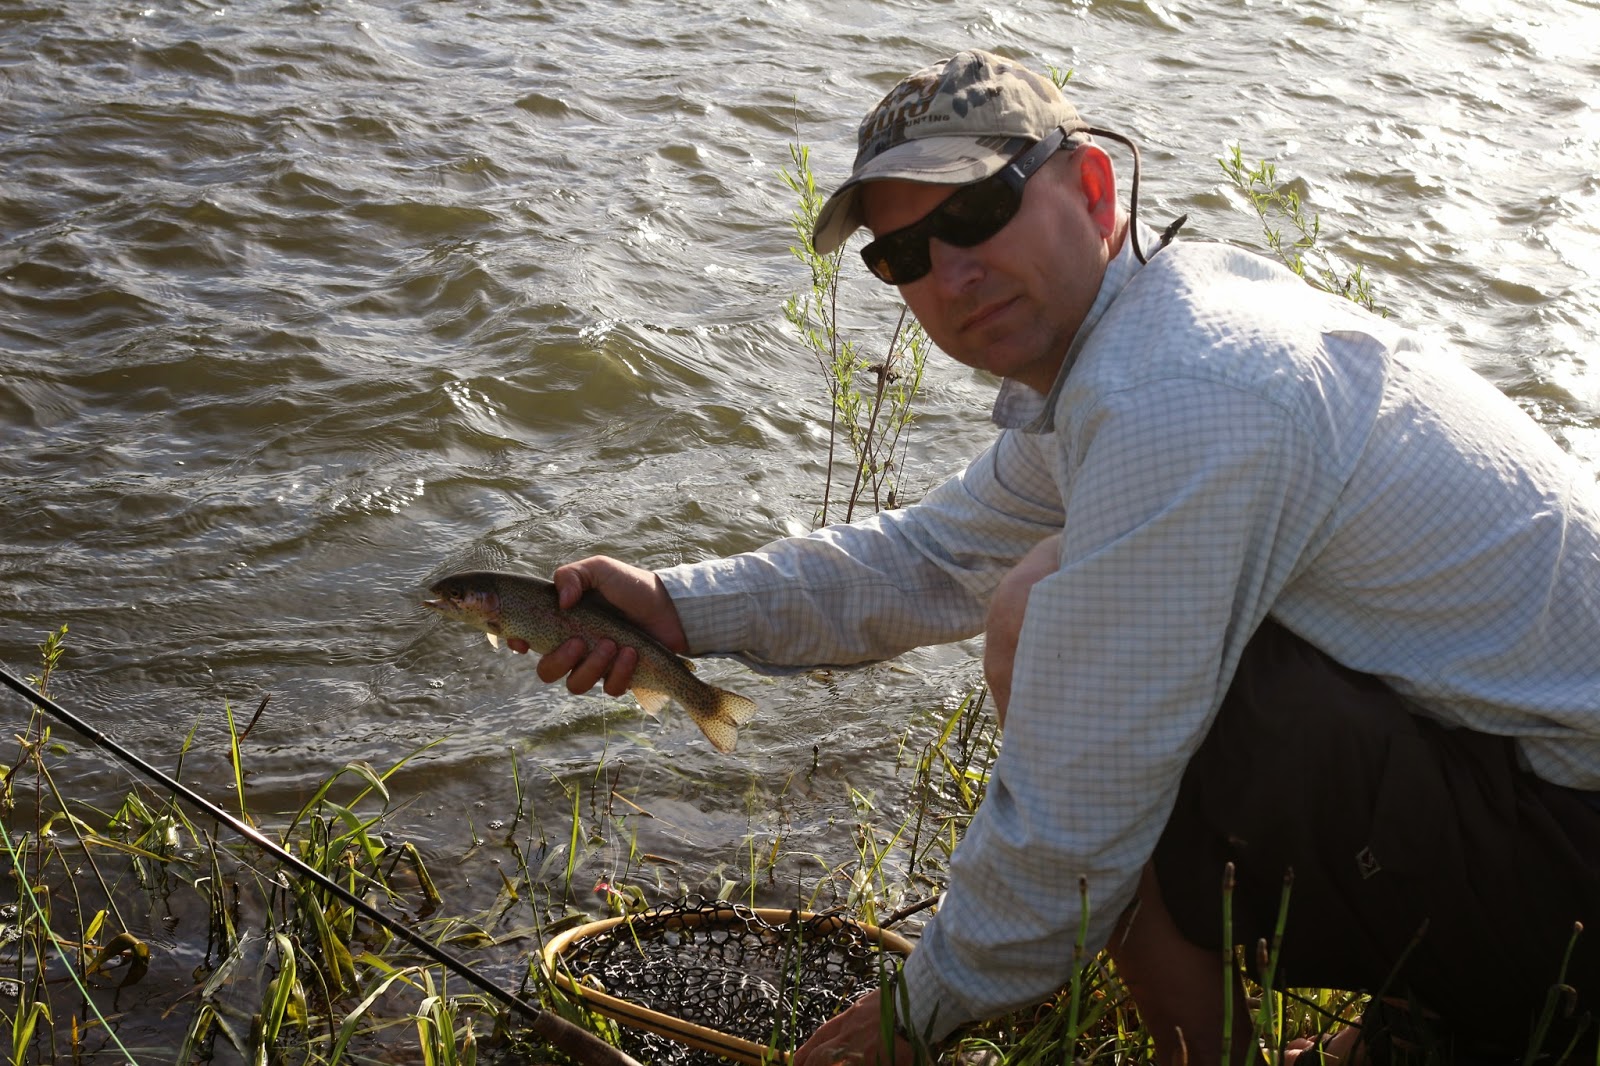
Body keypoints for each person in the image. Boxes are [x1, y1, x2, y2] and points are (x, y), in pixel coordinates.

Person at [521, 50, 1600, 1066]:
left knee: (1048, 624)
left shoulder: (1179, 395)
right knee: (1067, 607)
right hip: (1532, 792)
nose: (948, 271)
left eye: (978, 211)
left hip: (1573, 862)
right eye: (901, 255)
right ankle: (1441, 1014)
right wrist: (675, 609)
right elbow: (932, 560)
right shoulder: (1156, 337)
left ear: (1091, 188)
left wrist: (916, 1011)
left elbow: (1079, 810)